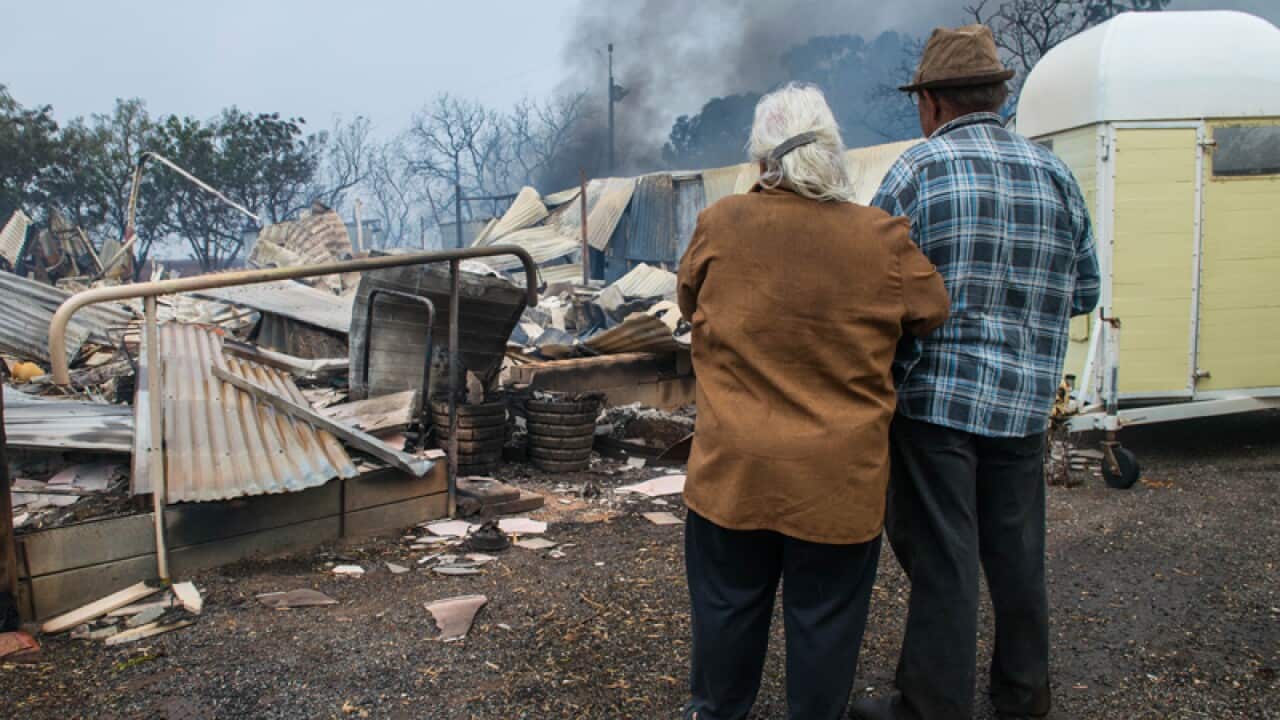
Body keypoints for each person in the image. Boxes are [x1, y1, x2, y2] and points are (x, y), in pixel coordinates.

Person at [677, 83, 950, 720]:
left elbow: (691, 301)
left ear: (764, 159)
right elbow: (931, 309)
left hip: (732, 478)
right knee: (824, 629)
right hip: (837, 487)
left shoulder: (722, 223)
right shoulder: (881, 238)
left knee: (724, 621)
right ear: (833, 153)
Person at [852, 24, 1101, 720]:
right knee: (1018, 555)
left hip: (935, 406)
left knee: (944, 556)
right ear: (996, 95)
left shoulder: (916, 172)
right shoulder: (1054, 173)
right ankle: (1024, 695)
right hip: (1022, 406)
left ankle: (932, 705)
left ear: (932, 102)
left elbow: (871, 292)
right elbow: (1085, 290)